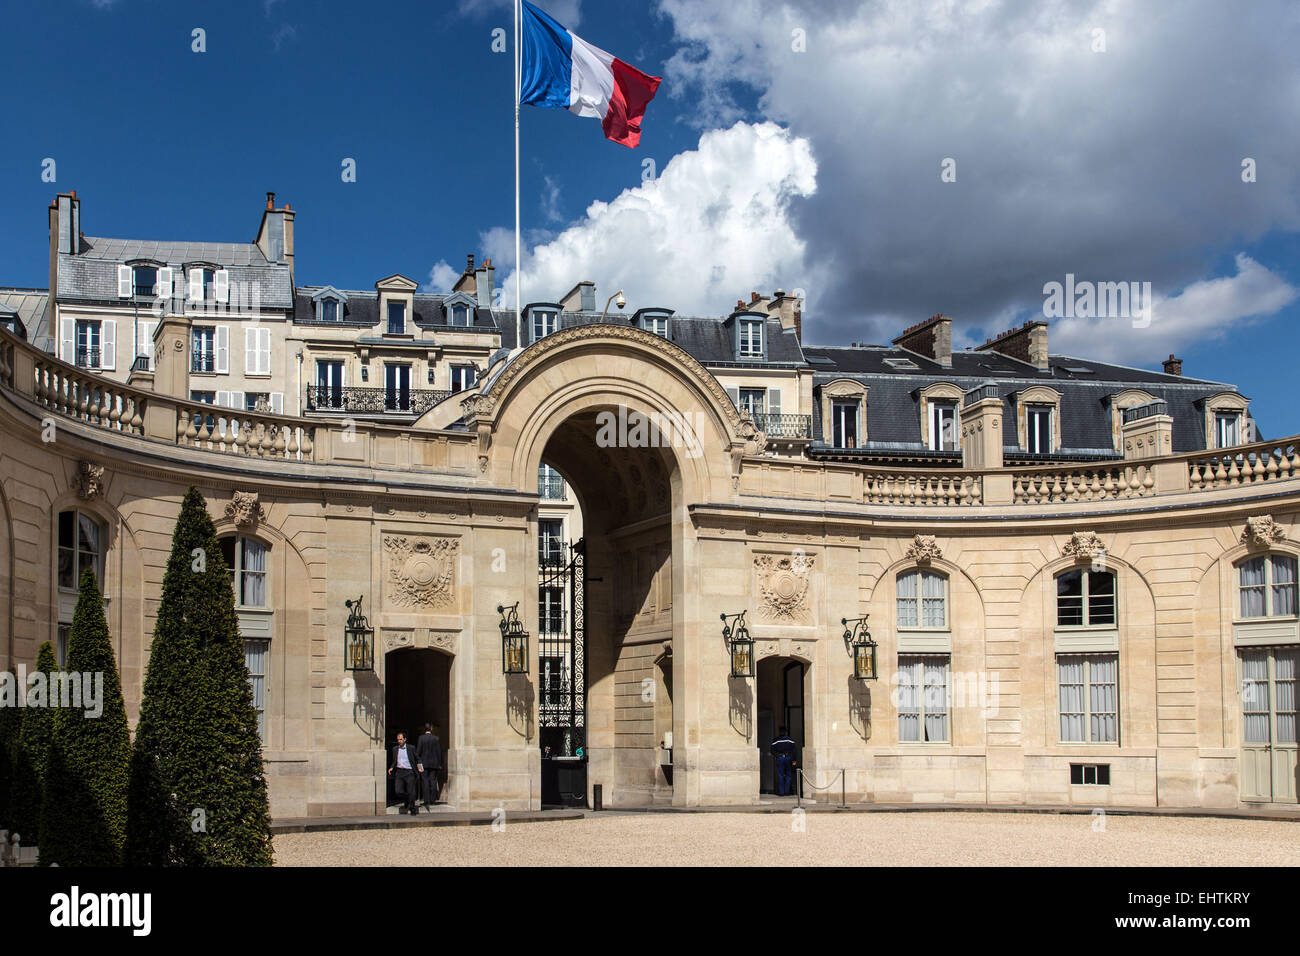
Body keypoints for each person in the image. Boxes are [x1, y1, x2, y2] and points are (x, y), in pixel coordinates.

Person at [388, 731, 420, 815]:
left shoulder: (411, 748)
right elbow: (394, 760)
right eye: (398, 739)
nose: (399, 741)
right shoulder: (395, 749)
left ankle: (412, 809)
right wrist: (391, 767)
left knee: (411, 791)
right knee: (398, 791)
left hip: (409, 772)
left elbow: (417, 758)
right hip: (399, 772)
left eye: (401, 739)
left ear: (405, 739)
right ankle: (406, 799)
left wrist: (420, 768)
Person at [416, 723, 442, 809]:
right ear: (431, 729)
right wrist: (439, 763)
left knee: (425, 782)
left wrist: (418, 764)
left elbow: (418, 752)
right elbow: (439, 752)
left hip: (424, 764)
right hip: (434, 764)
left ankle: (426, 800)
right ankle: (433, 800)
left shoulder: (421, 738)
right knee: (433, 781)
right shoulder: (436, 738)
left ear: (425, 729)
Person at [770, 727, 797, 796]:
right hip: (788, 757)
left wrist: (777, 756)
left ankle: (782, 792)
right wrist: (794, 760)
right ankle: (787, 791)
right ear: (786, 732)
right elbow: (794, 751)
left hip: (780, 758)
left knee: (780, 775)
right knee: (788, 775)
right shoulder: (790, 740)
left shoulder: (776, 740)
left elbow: (772, 750)